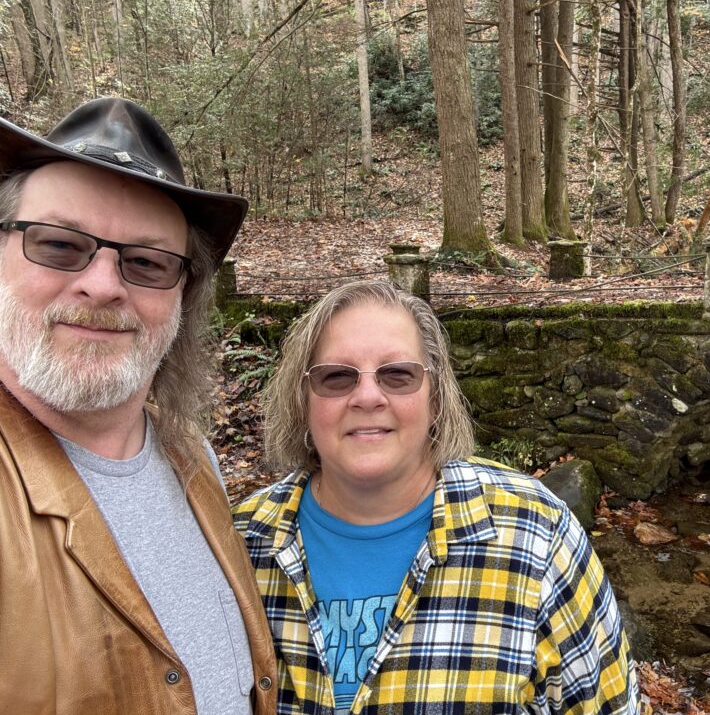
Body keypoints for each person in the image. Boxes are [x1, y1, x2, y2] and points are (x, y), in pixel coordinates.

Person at [233, 280, 639, 715]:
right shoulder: (238, 543)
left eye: (397, 375)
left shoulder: (537, 536)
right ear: (302, 400)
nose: (368, 396)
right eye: (336, 377)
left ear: (436, 397)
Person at [0, 98, 277, 714]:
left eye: (146, 262)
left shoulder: (190, 457)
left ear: (182, 296)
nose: (102, 285)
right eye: (59, 245)